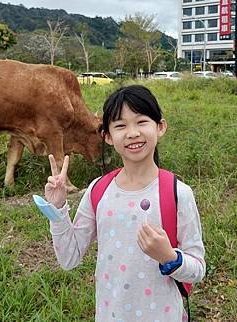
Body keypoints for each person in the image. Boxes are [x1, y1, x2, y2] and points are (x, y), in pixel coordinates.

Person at [44, 85, 205, 321]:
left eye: (141, 122)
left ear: (160, 127)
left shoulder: (178, 194)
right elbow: (69, 258)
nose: (132, 133)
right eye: (120, 125)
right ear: (107, 136)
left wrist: (169, 257)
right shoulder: (98, 190)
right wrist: (57, 209)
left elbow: (198, 269)